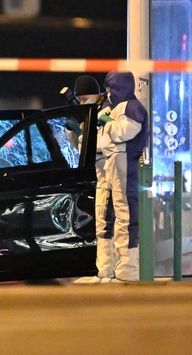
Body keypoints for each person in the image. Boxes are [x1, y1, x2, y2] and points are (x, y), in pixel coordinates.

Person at [78, 71, 149, 283]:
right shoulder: (114, 107)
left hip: (126, 164)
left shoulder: (133, 107)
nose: (108, 93)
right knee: (104, 216)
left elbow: (122, 132)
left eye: (111, 89)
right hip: (112, 164)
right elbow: (101, 141)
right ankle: (105, 268)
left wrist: (106, 121)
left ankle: (128, 269)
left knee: (125, 216)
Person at [72, 75, 117, 284]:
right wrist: (73, 129)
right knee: (99, 223)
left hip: (109, 175)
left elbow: (99, 143)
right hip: (99, 177)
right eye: (79, 99)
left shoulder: (106, 112)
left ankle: (108, 271)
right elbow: (79, 148)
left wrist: (82, 132)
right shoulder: (93, 113)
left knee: (106, 223)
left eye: (84, 98)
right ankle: (102, 269)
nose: (82, 102)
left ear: (97, 95)